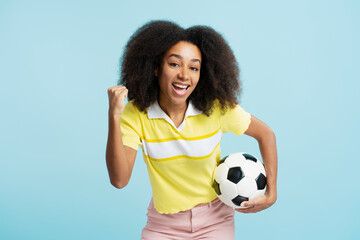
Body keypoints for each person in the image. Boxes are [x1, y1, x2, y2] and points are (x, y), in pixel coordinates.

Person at [106, 20, 278, 240]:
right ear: (156, 68)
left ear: (202, 74)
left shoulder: (217, 108)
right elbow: (119, 180)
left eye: (194, 67)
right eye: (174, 64)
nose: (184, 75)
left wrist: (271, 193)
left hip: (215, 221)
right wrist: (114, 116)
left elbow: (266, 135)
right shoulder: (136, 113)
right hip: (163, 224)